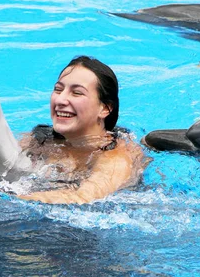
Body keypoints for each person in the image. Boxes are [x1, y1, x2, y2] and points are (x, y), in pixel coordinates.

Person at [10, 55, 146, 204]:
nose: (61, 100)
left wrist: (7, 198)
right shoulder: (38, 141)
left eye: (77, 93)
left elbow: (83, 198)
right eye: (58, 89)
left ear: (105, 108)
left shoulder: (116, 157)